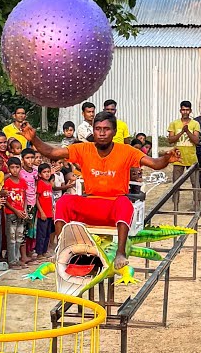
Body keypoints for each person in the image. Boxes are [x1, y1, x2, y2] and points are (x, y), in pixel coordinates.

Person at [19, 112, 180, 269]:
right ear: (93, 130)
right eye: (98, 129)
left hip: (113, 207)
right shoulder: (83, 148)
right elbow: (51, 152)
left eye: (106, 129)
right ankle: (62, 247)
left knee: (125, 203)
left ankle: (120, 252)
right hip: (90, 204)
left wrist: (166, 158)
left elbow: (155, 163)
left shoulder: (127, 151)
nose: (102, 133)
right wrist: (34, 138)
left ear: (114, 131)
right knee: (64, 201)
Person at [168, 101, 200, 201]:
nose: (185, 112)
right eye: (183, 110)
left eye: (187, 110)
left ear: (190, 111)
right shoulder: (174, 123)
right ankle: (175, 203)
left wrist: (187, 131)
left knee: (195, 183)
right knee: (176, 182)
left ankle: (196, 203)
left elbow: (196, 140)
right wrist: (182, 132)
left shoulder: (195, 123)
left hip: (191, 157)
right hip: (178, 157)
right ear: (180, 110)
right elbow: (170, 140)